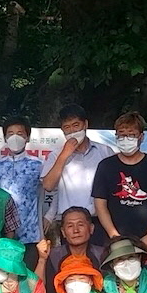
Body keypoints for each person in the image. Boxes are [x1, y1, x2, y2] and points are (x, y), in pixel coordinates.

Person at [92, 112, 147, 271]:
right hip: (113, 239)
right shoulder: (106, 165)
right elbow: (100, 203)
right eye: (122, 135)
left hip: (146, 239)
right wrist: (114, 236)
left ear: (141, 137)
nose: (126, 139)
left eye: (131, 135)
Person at [41, 104, 114, 244]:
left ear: (85, 124)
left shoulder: (104, 151)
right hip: (69, 222)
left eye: (76, 125)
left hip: (98, 220)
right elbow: (48, 185)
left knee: (98, 262)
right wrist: (64, 154)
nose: (72, 131)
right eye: (67, 127)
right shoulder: (57, 154)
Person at [0, 116, 45, 265]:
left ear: (27, 137)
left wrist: (49, 217)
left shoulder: (38, 165)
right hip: (4, 235)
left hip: (31, 234)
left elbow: (52, 191)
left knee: (29, 280)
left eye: (20, 133)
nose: (15, 137)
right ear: (5, 138)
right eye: (10, 133)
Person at [34, 206, 105, 293]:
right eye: (70, 226)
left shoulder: (102, 255)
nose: (76, 230)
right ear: (63, 232)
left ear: (91, 228)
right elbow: (36, 289)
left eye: (80, 225)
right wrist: (42, 260)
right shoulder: (53, 255)